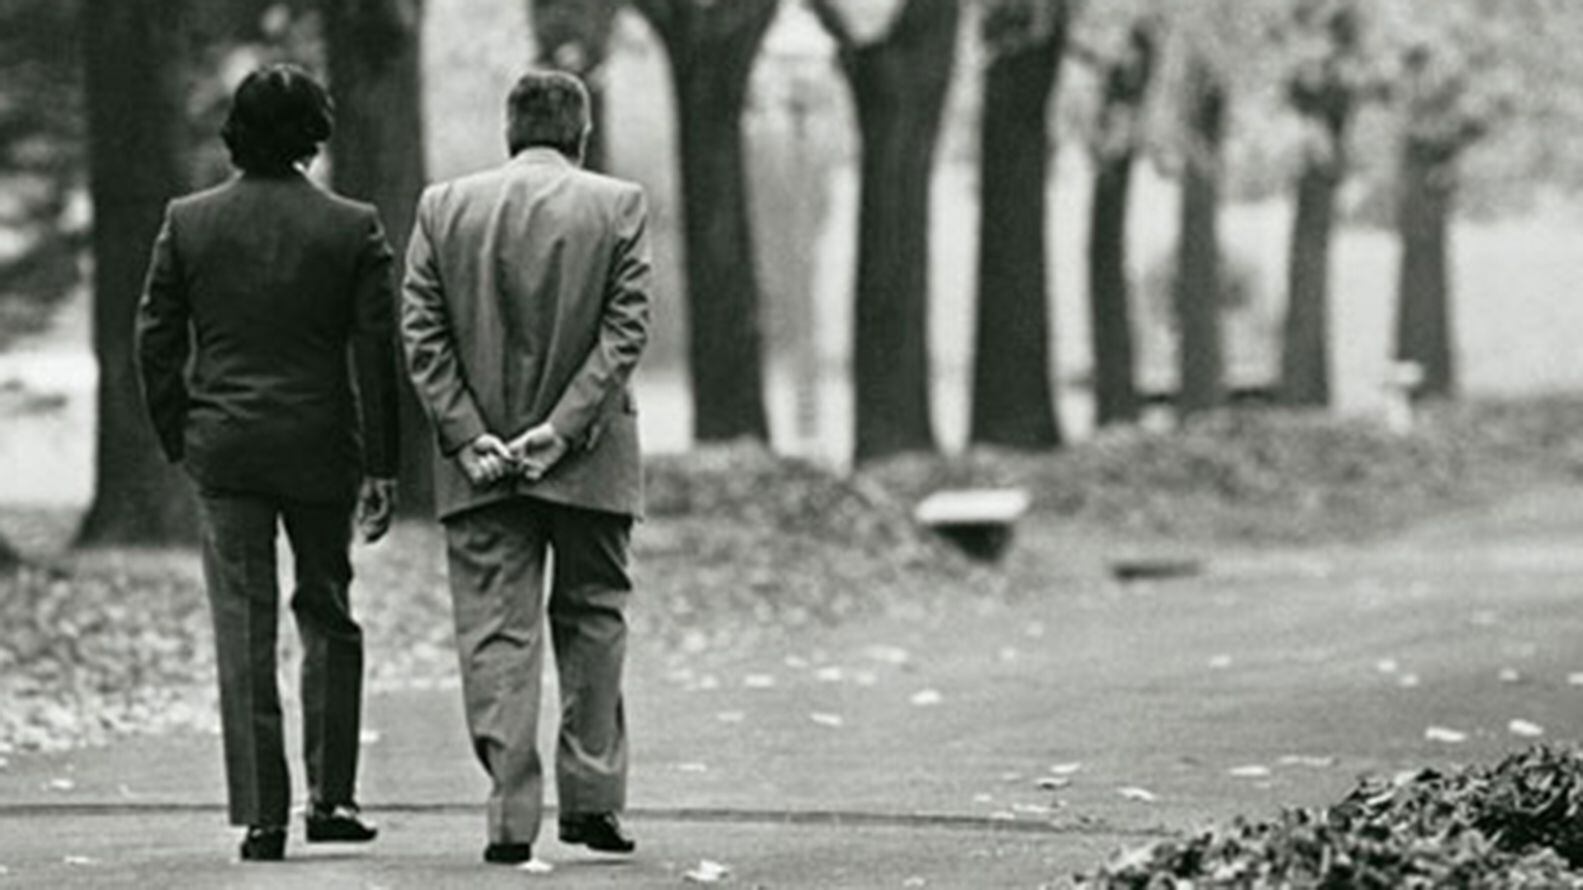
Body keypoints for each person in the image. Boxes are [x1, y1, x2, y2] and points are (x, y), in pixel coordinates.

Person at [135, 64, 397, 862]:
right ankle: (333, 798)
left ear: (235, 132)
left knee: (243, 629)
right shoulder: (353, 227)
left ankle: (262, 815)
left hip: (228, 451)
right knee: (329, 615)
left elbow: (154, 341)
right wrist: (384, 466)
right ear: (314, 135)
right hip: (322, 447)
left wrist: (182, 433)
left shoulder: (189, 222)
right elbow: (376, 354)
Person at [400, 69, 652, 866]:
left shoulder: (443, 208)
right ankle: (592, 803)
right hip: (589, 461)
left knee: (495, 636)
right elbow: (625, 330)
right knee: (593, 620)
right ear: (580, 133)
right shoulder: (618, 205)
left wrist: (470, 433)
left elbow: (422, 333)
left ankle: (509, 816)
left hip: (478, 472)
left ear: (510, 131)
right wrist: (561, 429)